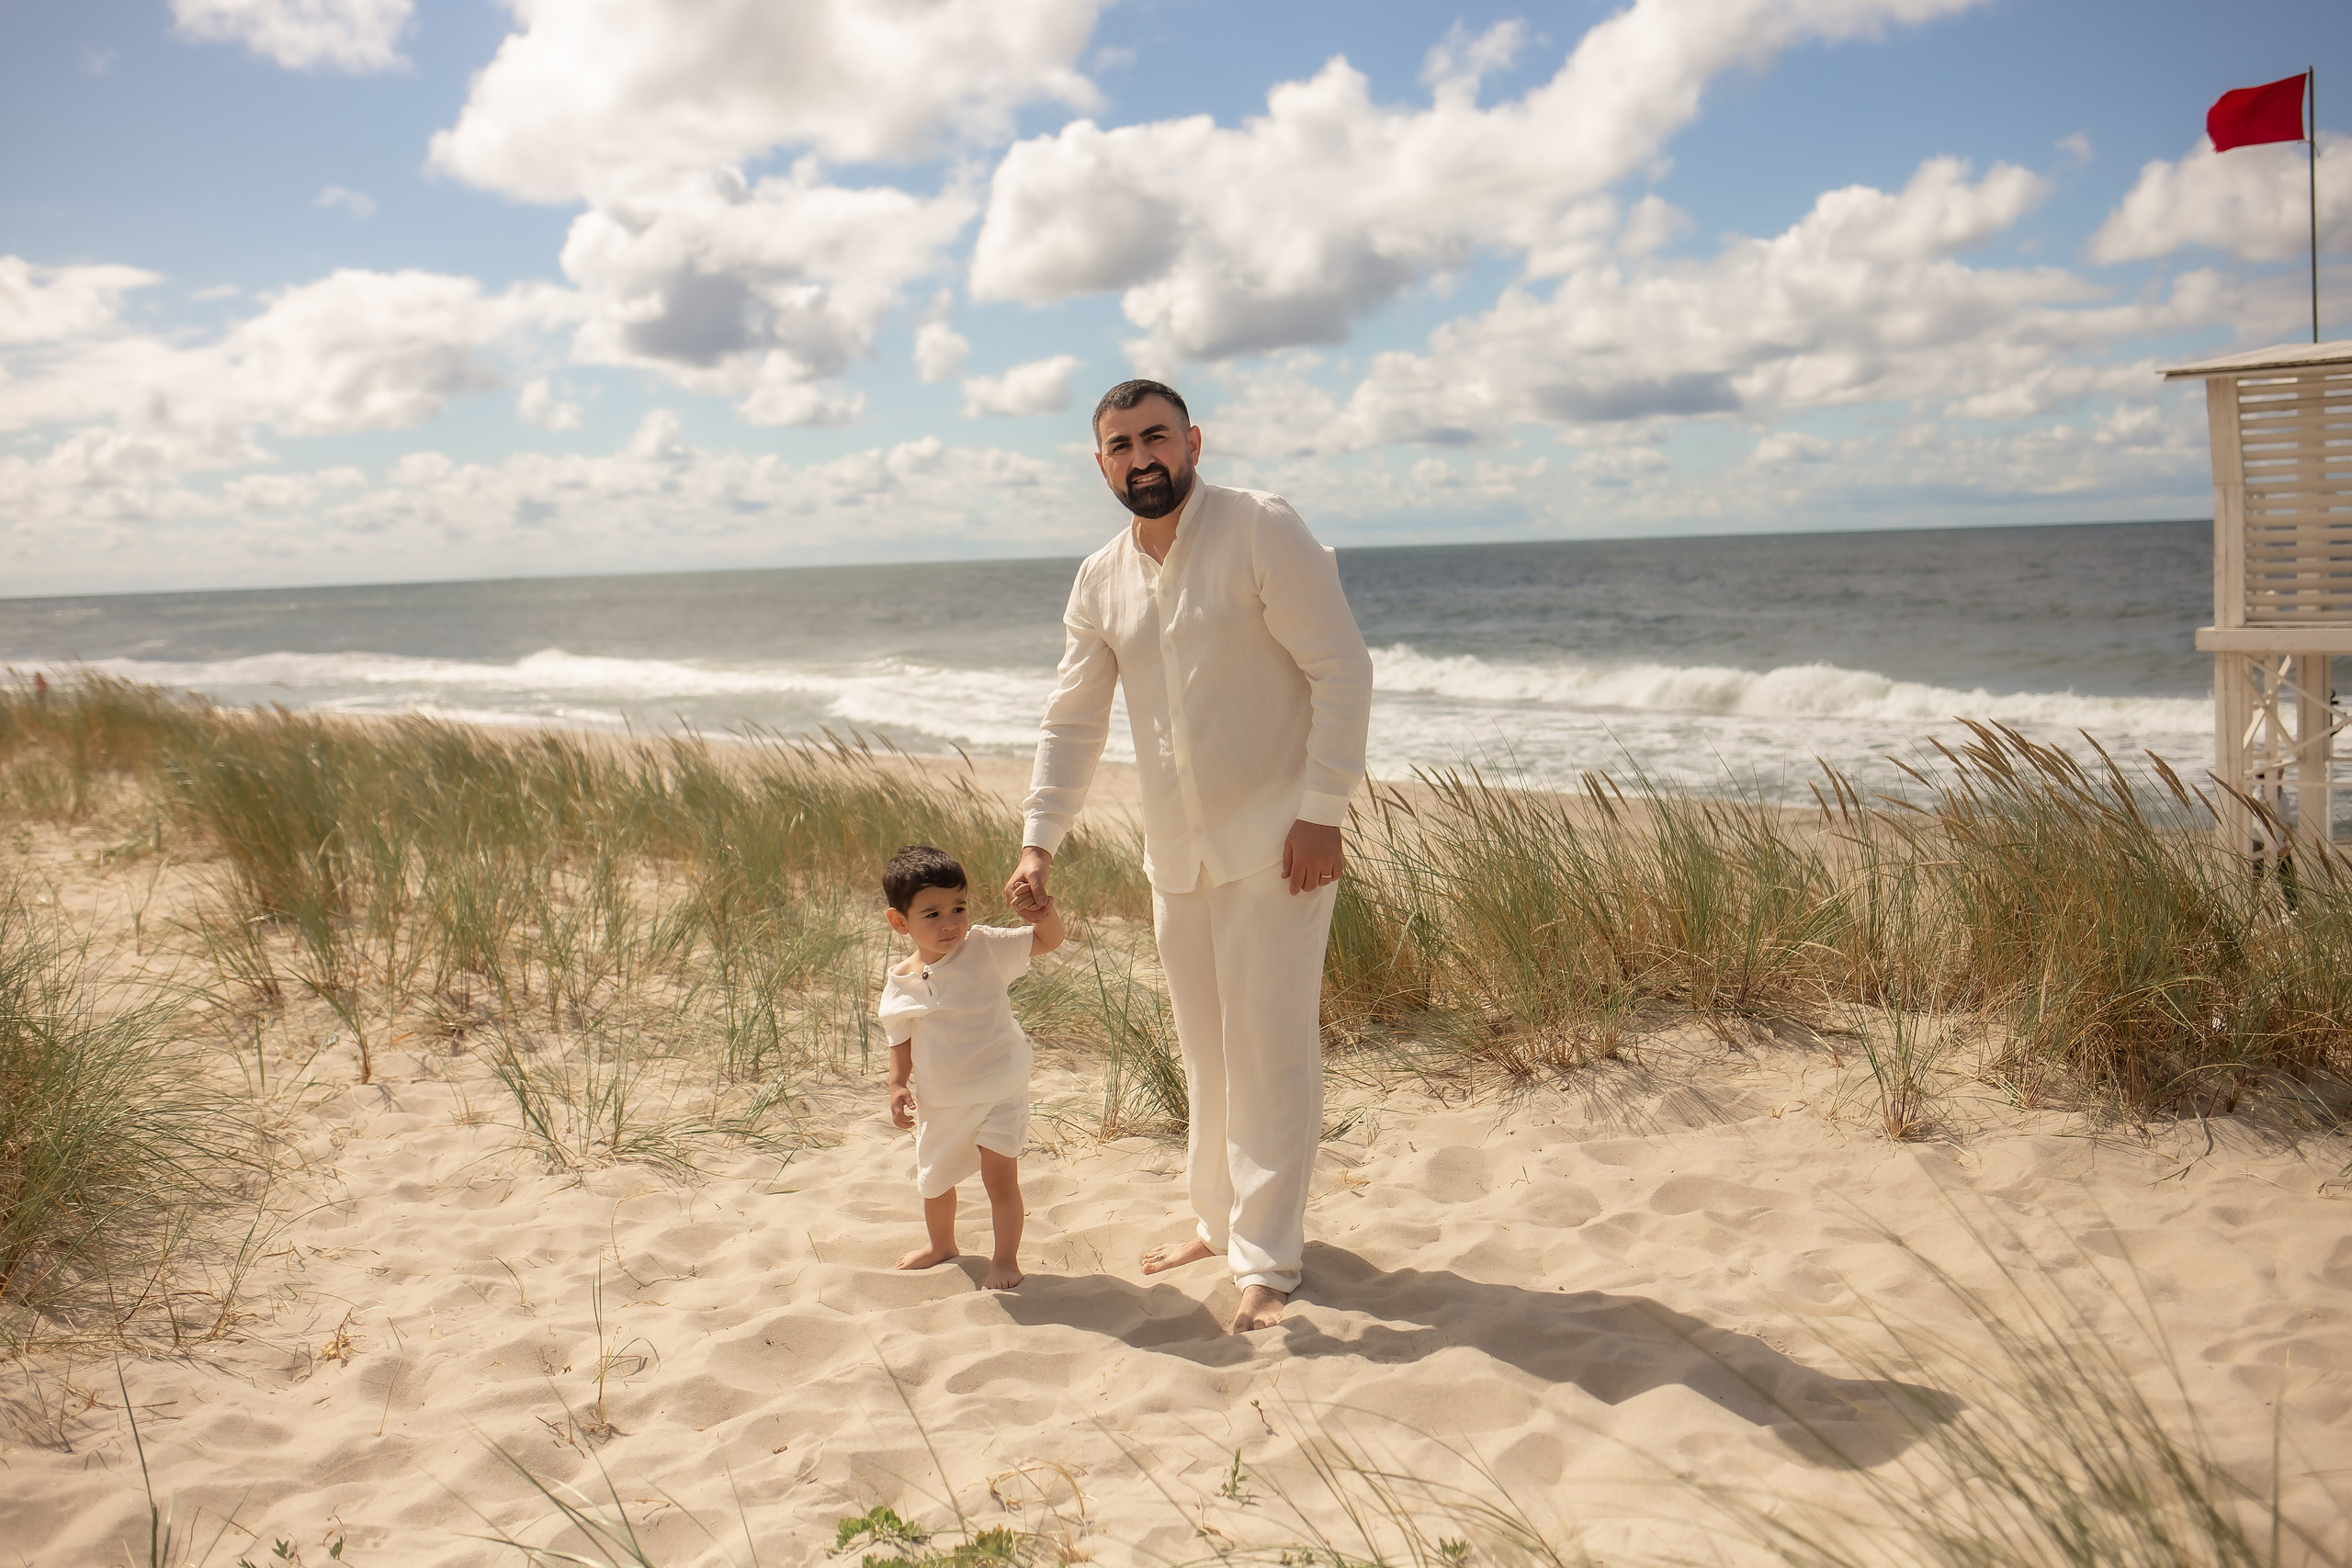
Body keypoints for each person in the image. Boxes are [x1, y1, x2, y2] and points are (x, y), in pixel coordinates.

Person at [1006, 379, 1373, 1334]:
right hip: (1179, 856)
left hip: (1278, 845)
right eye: (1120, 445)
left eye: (1155, 436)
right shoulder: (1099, 578)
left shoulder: (1261, 529)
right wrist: (1038, 838)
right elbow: (1072, 718)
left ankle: (1270, 1260)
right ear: (1101, 467)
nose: (1141, 458)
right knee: (1207, 1052)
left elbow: (1341, 668)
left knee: (1270, 1048)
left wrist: (1321, 812)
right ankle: (1217, 1221)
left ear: (1194, 440)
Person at [879, 844, 1064, 1291]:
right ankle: (941, 1244)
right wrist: (897, 1084)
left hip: (1001, 1086)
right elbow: (899, 1037)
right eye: (932, 914)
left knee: (1000, 1179)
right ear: (900, 922)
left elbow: (1049, 941)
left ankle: (1004, 1261)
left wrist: (1042, 915)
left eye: (958, 908)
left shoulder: (983, 946)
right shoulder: (902, 980)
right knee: (935, 1182)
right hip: (942, 1100)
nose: (950, 923)